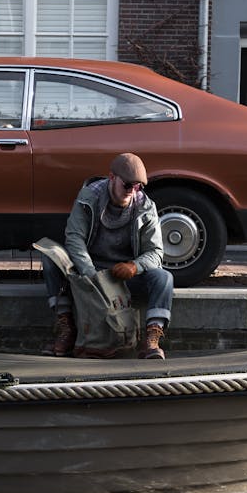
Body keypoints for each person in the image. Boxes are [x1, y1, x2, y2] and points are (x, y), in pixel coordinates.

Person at [42, 152, 173, 360]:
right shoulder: (88, 198)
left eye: (138, 186)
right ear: (112, 177)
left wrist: (134, 266)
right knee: (50, 257)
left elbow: (156, 252)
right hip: (90, 271)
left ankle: (151, 339)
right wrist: (91, 274)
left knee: (164, 277)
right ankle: (67, 328)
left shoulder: (146, 207)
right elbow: (74, 238)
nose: (132, 191)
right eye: (127, 185)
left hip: (122, 274)